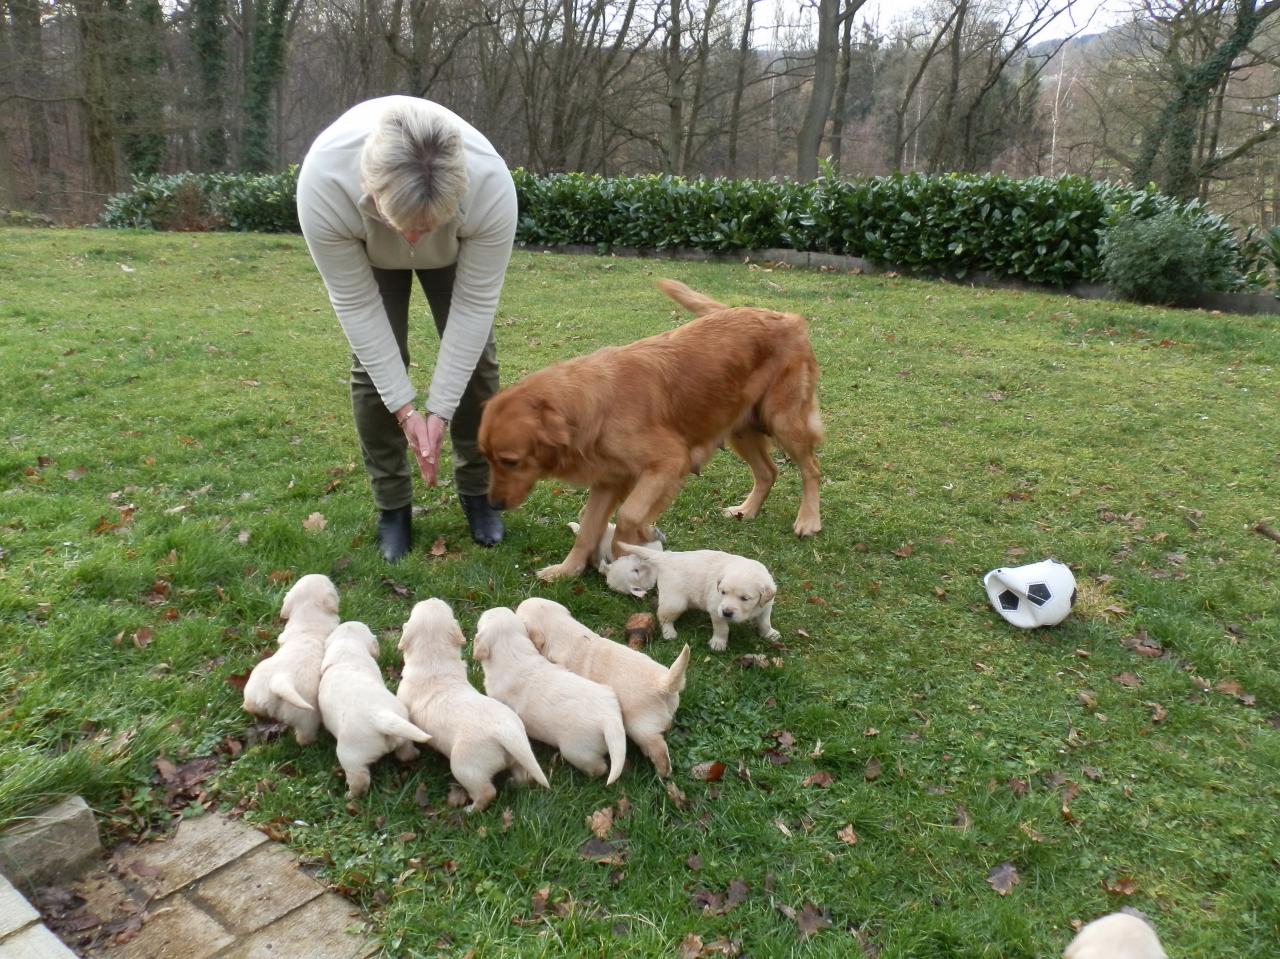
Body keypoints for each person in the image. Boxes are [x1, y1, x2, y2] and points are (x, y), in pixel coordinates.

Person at [297, 96, 516, 561]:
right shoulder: (324, 181)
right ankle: (393, 506)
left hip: (456, 247)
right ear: (370, 190)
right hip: (366, 242)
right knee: (377, 366)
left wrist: (438, 411)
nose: (413, 239)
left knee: (477, 364)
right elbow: (356, 304)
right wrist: (406, 409)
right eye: (405, 225)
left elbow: (474, 305)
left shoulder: (491, 186)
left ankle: (477, 493)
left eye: (426, 225)